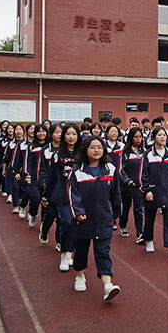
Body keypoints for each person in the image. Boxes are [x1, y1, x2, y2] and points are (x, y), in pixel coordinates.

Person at [68, 136, 122, 302]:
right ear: (85, 149)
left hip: (104, 219)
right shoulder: (77, 171)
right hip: (83, 220)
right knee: (81, 251)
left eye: (100, 147)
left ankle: (107, 285)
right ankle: (79, 275)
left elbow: (116, 193)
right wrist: (78, 212)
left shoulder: (110, 169)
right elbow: (72, 194)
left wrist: (116, 213)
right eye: (93, 147)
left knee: (103, 252)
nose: (97, 150)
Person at [140, 127, 168, 257]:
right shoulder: (148, 155)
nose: (162, 137)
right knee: (149, 218)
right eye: (159, 135)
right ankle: (149, 240)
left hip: (167, 192)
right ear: (154, 137)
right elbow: (143, 174)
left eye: (164, 135)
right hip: (152, 192)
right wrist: (146, 190)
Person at [42, 124, 80, 272]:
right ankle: (65, 253)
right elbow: (51, 177)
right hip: (63, 195)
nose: (71, 137)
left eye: (74, 134)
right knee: (66, 222)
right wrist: (46, 195)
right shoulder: (58, 154)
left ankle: (73, 251)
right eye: (68, 134)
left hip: (80, 195)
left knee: (78, 225)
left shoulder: (83, 154)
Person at [38, 124, 63, 246]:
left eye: (61, 132)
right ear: (51, 134)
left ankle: (59, 241)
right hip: (50, 188)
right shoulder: (46, 151)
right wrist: (43, 186)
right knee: (51, 214)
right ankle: (44, 230)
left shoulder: (68, 150)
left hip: (63, 188)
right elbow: (42, 170)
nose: (59, 134)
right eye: (57, 132)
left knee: (61, 218)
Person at [120, 127, 146, 241]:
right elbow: (120, 170)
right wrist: (127, 180)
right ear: (131, 138)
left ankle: (140, 234)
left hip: (139, 187)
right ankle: (123, 224)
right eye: (136, 137)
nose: (138, 139)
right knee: (125, 208)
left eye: (140, 137)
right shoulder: (125, 153)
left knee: (138, 210)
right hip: (127, 186)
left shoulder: (144, 152)